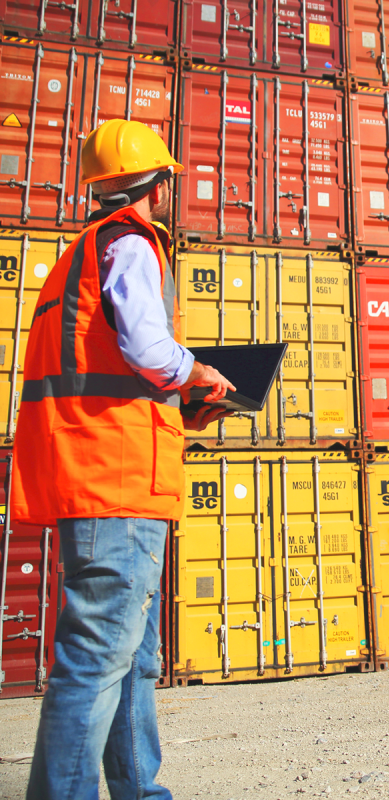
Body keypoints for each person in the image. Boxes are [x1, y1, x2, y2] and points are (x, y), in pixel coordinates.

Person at [11, 119, 235, 800]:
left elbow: (104, 371)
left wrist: (186, 407)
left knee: (133, 659)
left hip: (98, 469)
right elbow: (145, 350)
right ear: (158, 184)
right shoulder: (132, 245)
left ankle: (140, 793)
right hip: (117, 482)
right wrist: (200, 372)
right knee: (97, 657)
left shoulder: (74, 256)